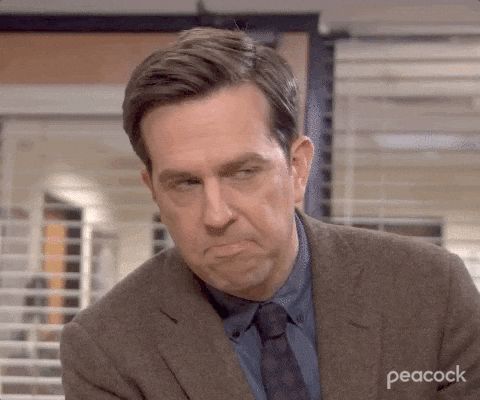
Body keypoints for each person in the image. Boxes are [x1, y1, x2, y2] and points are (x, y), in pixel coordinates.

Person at [60, 27, 480, 400]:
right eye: (185, 183)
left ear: (297, 168)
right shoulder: (106, 348)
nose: (216, 216)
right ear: (154, 191)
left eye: (243, 173)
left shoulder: (431, 290)